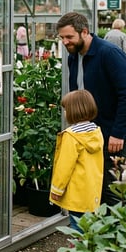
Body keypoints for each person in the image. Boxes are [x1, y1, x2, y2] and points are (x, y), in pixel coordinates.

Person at [56, 12, 126, 205]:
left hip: (115, 127)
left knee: (111, 184)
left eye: (69, 37)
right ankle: (104, 228)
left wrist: (118, 133)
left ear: (84, 32)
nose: (65, 42)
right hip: (94, 129)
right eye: (62, 37)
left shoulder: (108, 53)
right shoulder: (74, 56)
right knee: (96, 179)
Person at [49, 89, 104, 233]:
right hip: (92, 190)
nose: (65, 113)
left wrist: (57, 189)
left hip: (77, 192)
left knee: (76, 226)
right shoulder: (96, 133)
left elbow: (64, 167)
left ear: (73, 111)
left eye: (66, 109)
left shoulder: (71, 137)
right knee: (88, 226)